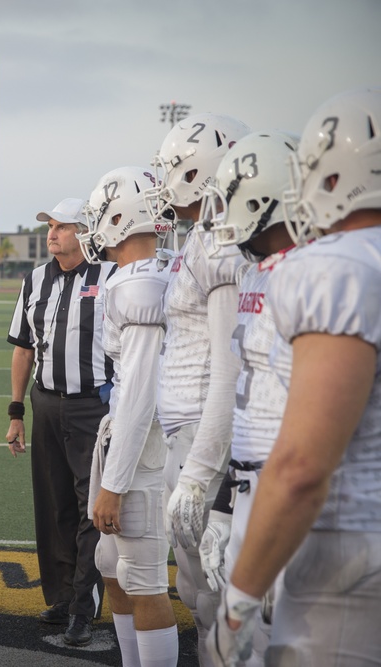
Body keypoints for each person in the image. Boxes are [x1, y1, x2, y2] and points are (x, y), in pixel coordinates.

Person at [209, 87, 381, 666]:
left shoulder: (337, 267)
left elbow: (304, 466)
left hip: (348, 548)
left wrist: (237, 599)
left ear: (336, 176)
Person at [145, 112, 251, 663]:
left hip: (202, 436)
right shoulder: (201, 236)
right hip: (182, 427)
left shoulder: (223, 244)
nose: (165, 182)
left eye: (175, 169)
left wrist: (203, 468)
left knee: (215, 589)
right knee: (194, 587)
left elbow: (229, 367)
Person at [194, 130, 299, 666]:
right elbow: (250, 404)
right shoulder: (257, 270)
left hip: (293, 500)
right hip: (250, 484)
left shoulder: (311, 278)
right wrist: (225, 501)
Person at [5, 197, 115, 646]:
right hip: (46, 403)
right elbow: (23, 348)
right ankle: (62, 596)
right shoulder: (34, 280)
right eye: (49, 226)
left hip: (95, 404)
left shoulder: (112, 276)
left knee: (92, 507)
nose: (52, 233)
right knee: (54, 505)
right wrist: (16, 411)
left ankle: (83, 607)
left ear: (85, 232)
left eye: (62, 226)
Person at [80, 167, 178, 666]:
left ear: (118, 218)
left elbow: (140, 393)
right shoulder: (132, 276)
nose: (92, 227)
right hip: (125, 434)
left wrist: (114, 484)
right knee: (110, 564)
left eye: (98, 217)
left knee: (143, 578)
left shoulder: (142, 285)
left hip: (145, 444)